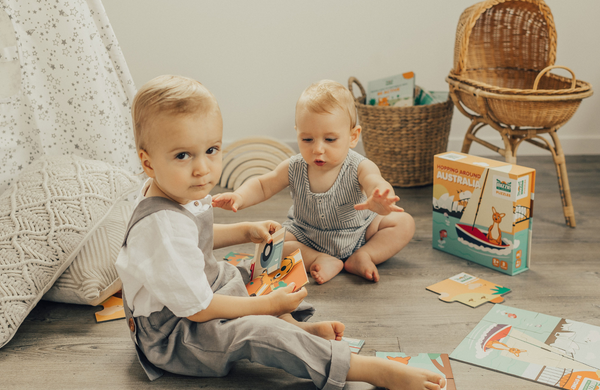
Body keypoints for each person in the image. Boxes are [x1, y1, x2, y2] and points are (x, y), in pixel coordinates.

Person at [115, 75, 445, 390]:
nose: (202, 168)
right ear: (148, 162)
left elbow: (195, 238)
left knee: (252, 272)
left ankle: (296, 328)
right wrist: (267, 307)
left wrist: (246, 230)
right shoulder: (162, 226)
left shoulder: (174, 187)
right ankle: (361, 368)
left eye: (212, 150)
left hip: (199, 295)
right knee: (260, 332)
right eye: (183, 155)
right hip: (175, 335)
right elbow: (199, 309)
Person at [212, 80, 415, 284]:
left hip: (359, 233)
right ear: (298, 133)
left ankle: (365, 255)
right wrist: (239, 196)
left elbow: (374, 180)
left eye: (330, 140)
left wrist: (379, 196)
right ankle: (318, 259)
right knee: (274, 245)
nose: (318, 149)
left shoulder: (359, 166)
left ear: (353, 137)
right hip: (306, 235)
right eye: (307, 139)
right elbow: (264, 184)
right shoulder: (294, 166)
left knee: (404, 223)